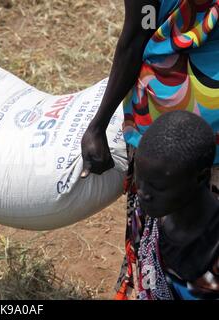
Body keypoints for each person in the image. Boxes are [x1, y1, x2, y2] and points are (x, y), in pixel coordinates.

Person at [80, 0, 219, 299]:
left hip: (160, 128)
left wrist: (97, 125)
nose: (142, 191)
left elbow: (135, 39)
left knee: (159, 227)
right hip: (185, 143)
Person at [133, 110, 219, 299]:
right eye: (140, 179)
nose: (142, 193)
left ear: (200, 178)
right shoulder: (148, 219)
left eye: (157, 187)